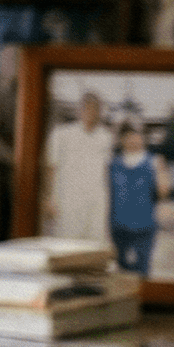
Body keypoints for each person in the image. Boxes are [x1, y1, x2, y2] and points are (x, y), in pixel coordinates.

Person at [45, 91, 116, 243]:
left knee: (93, 244)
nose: (91, 113)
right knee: (65, 244)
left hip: (96, 200)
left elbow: (106, 171)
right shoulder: (61, 134)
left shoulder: (106, 137)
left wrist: (108, 203)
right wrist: (49, 198)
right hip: (67, 199)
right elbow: (51, 167)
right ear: (80, 110)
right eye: (87, 108)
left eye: (95, 109)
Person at [107, 123, 170, 274]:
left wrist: (162, 172)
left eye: (137, 136)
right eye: (128, 136)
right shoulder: (113, 163)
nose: (133, 140)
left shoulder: (154, 161)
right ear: (121, 140)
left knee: (142, 271)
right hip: (118, 227)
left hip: (144, 227)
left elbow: (163, 192)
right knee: (121, 270)